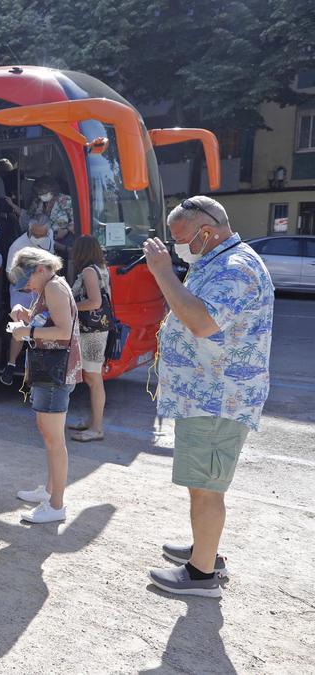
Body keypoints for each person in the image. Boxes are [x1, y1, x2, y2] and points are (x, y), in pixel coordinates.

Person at [144, 196, 273, 597]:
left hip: (218, 400)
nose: (177, 246)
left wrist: (164, 273)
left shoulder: (235, 267)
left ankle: (202, 576)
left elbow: (201, 321)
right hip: (206, 395)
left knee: (207, 487)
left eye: (181, 238)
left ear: (207, 231)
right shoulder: (216, 262)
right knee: (202, 483)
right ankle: (205, 549)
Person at [8, 247, 81, 524]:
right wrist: (26, 314)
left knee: (53, 440)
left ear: (40, 268)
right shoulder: (52, 286)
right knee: (49, 435)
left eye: (27, 279)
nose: (26, 285)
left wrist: (27, 331)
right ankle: (50, 492)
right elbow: (54, 322)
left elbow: (63, 331)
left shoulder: (54, 288)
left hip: (54, 370)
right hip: (52, 368)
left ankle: (56, 504)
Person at [1, 216, 54, 385]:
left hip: (42, 289)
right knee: (21, 327)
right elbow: (10, 274)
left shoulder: (49, 235)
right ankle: (10, 365)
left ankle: (35, 369)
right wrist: (25, 285)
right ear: (30, 231)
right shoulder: (17, 246)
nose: (40, 238)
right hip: (22, 291)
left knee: (41, 327)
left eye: (43, 235)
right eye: (37, 235)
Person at [67, 236, 111, 442]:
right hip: (97, 330)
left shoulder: (88, 271)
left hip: (92, 333)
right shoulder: (101, 267)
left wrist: (70, 307)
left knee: (94, 379)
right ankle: (93, 421)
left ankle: (97, 428)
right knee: (92, 378)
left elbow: (94, 302)